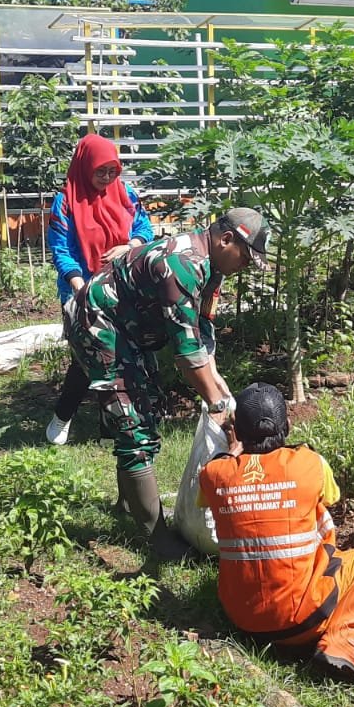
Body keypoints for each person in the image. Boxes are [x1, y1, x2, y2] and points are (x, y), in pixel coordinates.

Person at [64, 208, 266, 558]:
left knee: (148, 410)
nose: (245, 266)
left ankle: (130, 508)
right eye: (246, 258)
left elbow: (201, 337)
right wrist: (218, 407)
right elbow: (186, 356)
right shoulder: (183, 265)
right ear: (226, 239)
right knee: (132, 424)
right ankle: (157, 541)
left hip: (129, 330)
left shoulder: (212, 268)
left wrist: (220, 392)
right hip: (99, 325)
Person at [199, 383, 354, 683]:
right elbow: (330, 498)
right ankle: (345, 639)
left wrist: (233, 452)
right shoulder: (309, 463)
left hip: (243, 620)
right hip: (304, 620)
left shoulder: (214, 474)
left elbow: (216, 493)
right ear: (286, 425)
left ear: (236, 430)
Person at [44, 134, 153, 445]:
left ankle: (111, 430)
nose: (107, 179)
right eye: (100, 172)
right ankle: (63, 416)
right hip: (81, 287)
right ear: (84, 167)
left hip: (122, 288)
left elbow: (145, 229)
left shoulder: (127, 195)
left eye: (112, 172)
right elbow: (62, 250)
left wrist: (129, 246)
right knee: (88, 358)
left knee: (122, 357)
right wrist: (82, 291)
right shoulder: (66, 201)